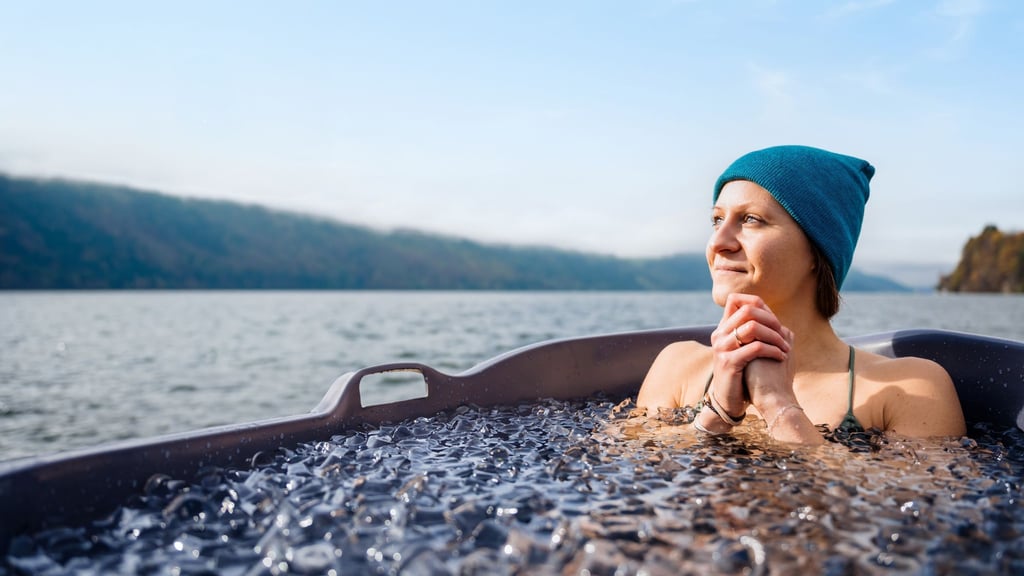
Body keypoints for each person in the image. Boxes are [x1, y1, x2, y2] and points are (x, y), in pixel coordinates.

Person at [637, 145, 966, 444]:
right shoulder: (677, 367)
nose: (718, 242)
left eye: (751, 219)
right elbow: (634, 484)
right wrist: (717, 413)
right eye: (717, 219)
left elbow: (908, 506)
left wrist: (778, 404)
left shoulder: (912, 388)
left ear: (816, 250)